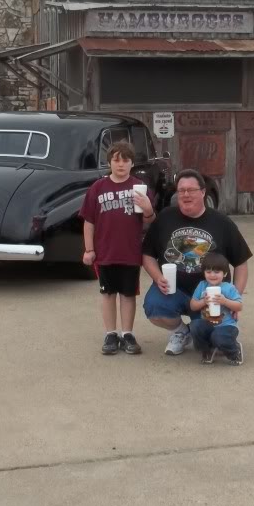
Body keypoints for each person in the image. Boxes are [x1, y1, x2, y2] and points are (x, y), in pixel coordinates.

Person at [142, 169, 252, 356]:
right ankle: (181, 332)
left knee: (211, 345)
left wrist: (234, 299)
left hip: (208, 295)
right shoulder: (165, 217)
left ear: (203, 192)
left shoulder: (222, 222)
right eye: (181, 190)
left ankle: (210, 331)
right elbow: (147, 255)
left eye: (191, 190)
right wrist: (157, 276)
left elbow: (241, 263)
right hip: (174, 290)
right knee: (154, 307)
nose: (185, 195)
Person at [79, 140, 156, 356]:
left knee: (128, 295)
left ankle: (127, 333)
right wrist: (89, 249)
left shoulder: (139, 186)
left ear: (132, 164)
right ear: (110, 162)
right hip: (105, 252)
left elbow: (150, 220)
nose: (121, 164)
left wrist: (149, 209)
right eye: (116, 160)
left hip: (130, 252)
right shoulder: (98, 188)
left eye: (125, 160)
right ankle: (110, 333)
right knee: (107, 294)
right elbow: (89, 221)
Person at [188, 253, 244, 365]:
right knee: (194, 325)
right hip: (208, 324)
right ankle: (206, 350)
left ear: (225, 273)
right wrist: (203, 301)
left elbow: (239, 306)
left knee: (218, 336)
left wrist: (225, 301)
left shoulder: (228, 288)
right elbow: (193, 306)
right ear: (204, 273)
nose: (212, 275)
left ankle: (234, 351)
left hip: (227, 326)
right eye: (208, 272)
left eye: (217, 272)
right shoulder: (202, 286)